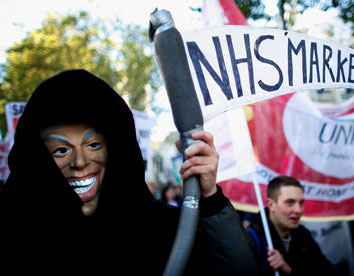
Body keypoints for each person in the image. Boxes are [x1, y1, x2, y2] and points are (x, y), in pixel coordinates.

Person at [0, 69, 257, 274]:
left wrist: (210, 197)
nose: (79, 162)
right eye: (60, 150)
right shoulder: (13, 233)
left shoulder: (162, 231)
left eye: (93, 145)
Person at [247, 176, 336, 276]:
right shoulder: (252, 239)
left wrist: (289, 270)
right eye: (290, 202)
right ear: (271, 205)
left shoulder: (302, 235)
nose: (298, 210)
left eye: (301, 203)